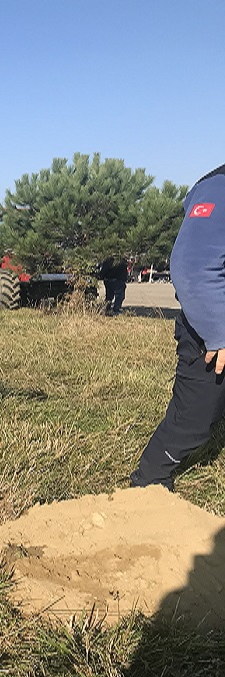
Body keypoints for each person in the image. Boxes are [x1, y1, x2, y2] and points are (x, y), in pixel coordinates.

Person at [130, 163, 225, 490]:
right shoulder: (218, 187)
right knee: (193, 420)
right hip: (211, 334)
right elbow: (192, 267)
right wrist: (218, 333)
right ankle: (149, 482)